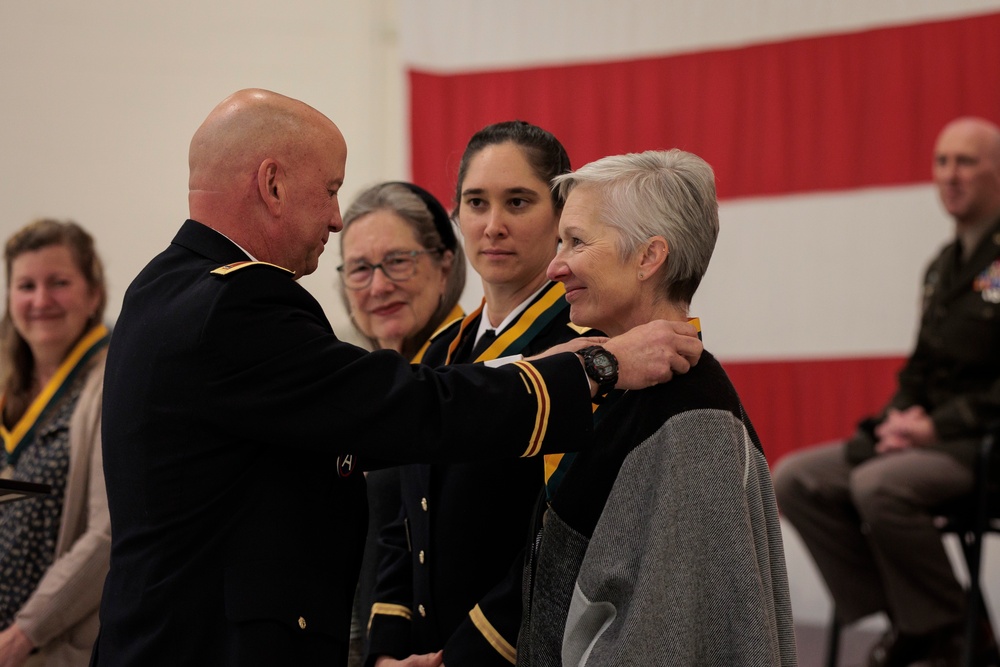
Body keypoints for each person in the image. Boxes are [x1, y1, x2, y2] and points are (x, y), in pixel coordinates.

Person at [92, 88, 705, 667]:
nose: (336, 218)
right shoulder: (235, 304)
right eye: (330, 190)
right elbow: (400, 414)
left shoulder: (160, 290)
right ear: (272, 184)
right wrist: (598, 367)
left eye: (520, 202)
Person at [516, 149, 796, 666]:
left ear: (649, 257)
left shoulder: (694, 421)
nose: (555, 265)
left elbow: (672, 637)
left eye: (576, 241)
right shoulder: (610, 386)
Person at [773, 117, 1000, 666]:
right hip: (930, 440)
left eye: (965, 161)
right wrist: (897, 420)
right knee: (796, 479)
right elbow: (920, 367)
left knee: (879, 486)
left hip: (982, 446)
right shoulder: (942, 268)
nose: (950, 175)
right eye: (942, 162)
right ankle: (914, 621)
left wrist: (936, 427)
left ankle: (949, 631)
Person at [366, 121, 589, 666]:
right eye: (475, 202)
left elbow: (566, 538)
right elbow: (404, 523)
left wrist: (460, 657)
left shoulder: (580, 351)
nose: (493, 226)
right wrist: (387, 651)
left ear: (561, 215)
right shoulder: (440, 352)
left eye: (518, 202)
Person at [337, 181, 466, 665]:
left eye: (397, 262)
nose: (378, 286)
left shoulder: (477, 378)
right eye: (360, 269)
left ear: (444, 265)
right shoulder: (355, 383)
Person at [0, 219, 110, 667]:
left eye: (59, 283)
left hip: (53, 647)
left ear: (94, 294)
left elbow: (109, 533)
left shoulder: (114, 383)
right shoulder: (8, 387)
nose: (41, 300)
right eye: (26, 285)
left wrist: (22, 635)